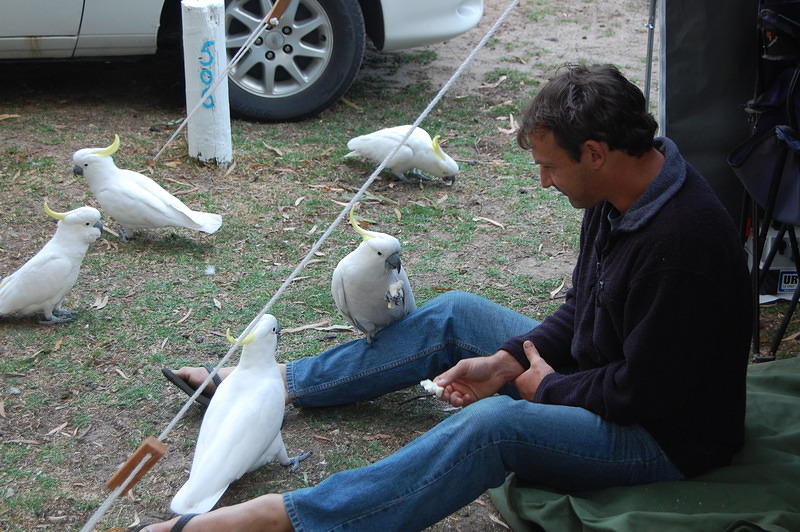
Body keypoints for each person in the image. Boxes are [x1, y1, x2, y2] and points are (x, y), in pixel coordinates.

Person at [146, 64, 752, 531]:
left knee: (495, 427)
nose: (544, 182)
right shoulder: (620, 191)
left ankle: (284, 518)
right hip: (607, 378)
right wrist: (515, 357)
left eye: (549, 167)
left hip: (663, 436)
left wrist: (544, 389)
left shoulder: (682, 243)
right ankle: (276, 384)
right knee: (457, 314)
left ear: (595, 153)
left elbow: (643, 395)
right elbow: (585, 311)